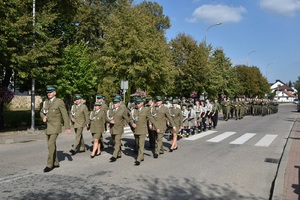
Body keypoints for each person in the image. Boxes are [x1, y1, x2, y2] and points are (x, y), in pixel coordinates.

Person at [40, 85, 71, 173]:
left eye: (50, 92)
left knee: (50, 144)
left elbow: (64, 114)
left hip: (55, 126)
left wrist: (67, 126)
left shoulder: (59, 102)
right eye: (48, 92)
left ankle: (49, 164)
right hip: (48, 127)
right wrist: (43, 117)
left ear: (54, 93)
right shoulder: (46, 102)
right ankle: (56, 162)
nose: (49, 94)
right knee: (51, 145)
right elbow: (42, 112)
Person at [130, 98, 159, 166]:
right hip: (136, 129)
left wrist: (157, 127)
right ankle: (141, 156)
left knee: (141, 144)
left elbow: (151, 118)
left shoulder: (146, 110)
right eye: (136, 103)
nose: (137, 104)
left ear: (142, 103)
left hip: (143, 130)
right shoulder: (134, 110)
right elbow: (130, 118)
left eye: (138, 103)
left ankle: (139, 159)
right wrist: (132, 123)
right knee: (137, 144)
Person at [106, 98, 129, 162]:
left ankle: (114, 156)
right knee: (114, 142)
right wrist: (110, 121)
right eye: (113, 103)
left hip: (119, 128)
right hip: (112, 128)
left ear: (119, 104)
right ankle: (119, 153)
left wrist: (124, 123)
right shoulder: (110, 110)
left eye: (116, 103)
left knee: (117, 141)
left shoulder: (122, 110)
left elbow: (126, 118)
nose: (114, 104)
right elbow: (106, 117)